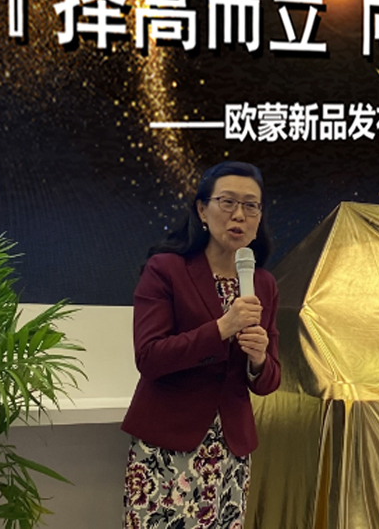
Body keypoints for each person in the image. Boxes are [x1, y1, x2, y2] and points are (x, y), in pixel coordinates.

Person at [121, 161, 281, 529]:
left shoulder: (263, 283)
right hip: (167, 448)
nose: (239, 215)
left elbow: (269, 380)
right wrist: (223, 327)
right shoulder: (165, 269)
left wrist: (258, 359)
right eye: (228, 202)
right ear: (202, 209)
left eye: (251, 205)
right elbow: (150, 356)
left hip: (230, 454)